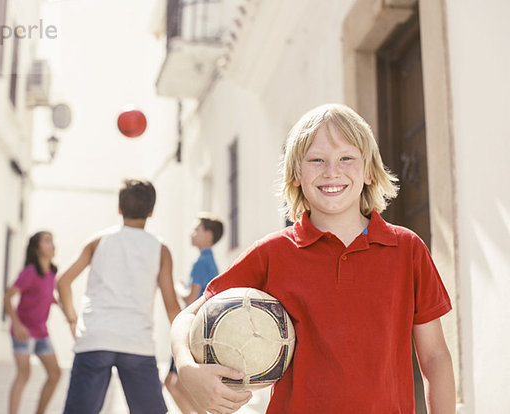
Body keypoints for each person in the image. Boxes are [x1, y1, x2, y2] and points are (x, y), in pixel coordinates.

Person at [170, 104, 456, 413]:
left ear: (369, 171)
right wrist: (187, 369)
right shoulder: (273, 253)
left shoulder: (407, 249)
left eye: (346, 158)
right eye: (316, 160)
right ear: (296, 174)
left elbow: (434, 357)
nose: (332, 171)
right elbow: (187, 316)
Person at [57, 178, 181, 414]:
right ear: (152, 211)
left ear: (119, 208)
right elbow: (172, 307)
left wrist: (73, 320)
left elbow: (63, 282)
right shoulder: (161, 250)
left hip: (95, 337)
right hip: (137, 342)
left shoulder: (98, 241)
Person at [165, 213, 224, 413]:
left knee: (173, 383)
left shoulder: (201, 262)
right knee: (175, 383)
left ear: (208, 235)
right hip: (203, 330)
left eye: (196, 229)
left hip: (191, 330)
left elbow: (190, 299)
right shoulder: (211, 261)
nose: (192, 233)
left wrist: (177, 287)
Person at [4, 231, 62, 414]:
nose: (52, 245)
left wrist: (56, 302)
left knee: (55, 374)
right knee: (24, 374)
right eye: (47, 241)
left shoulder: (52, 273)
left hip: (41, 333)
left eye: (52, 241)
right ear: (37, 249)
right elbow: (7, 297)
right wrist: (17, 325)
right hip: (24, 332)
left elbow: (43, 294)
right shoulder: (29, 273)